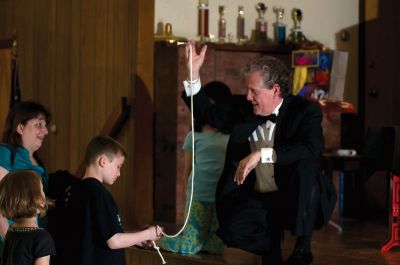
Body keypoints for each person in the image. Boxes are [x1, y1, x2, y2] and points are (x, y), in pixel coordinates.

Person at [181, 41, 336, 265]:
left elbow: (311, 148)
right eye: (247, 90)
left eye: (254, 91)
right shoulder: (244, 108)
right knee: (233, 232)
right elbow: (207, 112)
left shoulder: (305, 111)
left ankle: (302, 248)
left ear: (275, 90)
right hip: (256, 196)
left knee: (306, 168)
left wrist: (263, 154)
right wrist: (193, 73)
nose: (248, 97)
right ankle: (271, 246)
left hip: (292, 194)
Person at [56, 135, 162, 265]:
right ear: (103, 161)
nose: (119, 173)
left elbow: (103, 233)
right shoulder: (99, 194)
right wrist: (148, 234)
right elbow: (113, 240)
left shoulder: (74, 190)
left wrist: (136, 239)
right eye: (118, 166)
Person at [159, 81, 231, 255]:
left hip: (221, 199)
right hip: (198, 197)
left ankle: (198, 242)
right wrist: (187, 194)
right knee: (188, 247)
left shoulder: (231, 135)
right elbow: (187, 170)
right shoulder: (194, 135)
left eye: (212, 104)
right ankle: (155, 239)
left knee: (219, 247)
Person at [0, 101, 51, 237]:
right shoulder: (5, 153)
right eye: (39, 125)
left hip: (36, 241)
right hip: (15, 239)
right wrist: (10, 243)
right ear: (20, 128)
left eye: (45, 126)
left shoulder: (38, 163)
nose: (45, 131)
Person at [0, 170, 56, 265]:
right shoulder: (41, 238)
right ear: (31, 198)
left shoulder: (11, 231)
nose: (44, 194)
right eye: (41, 189)